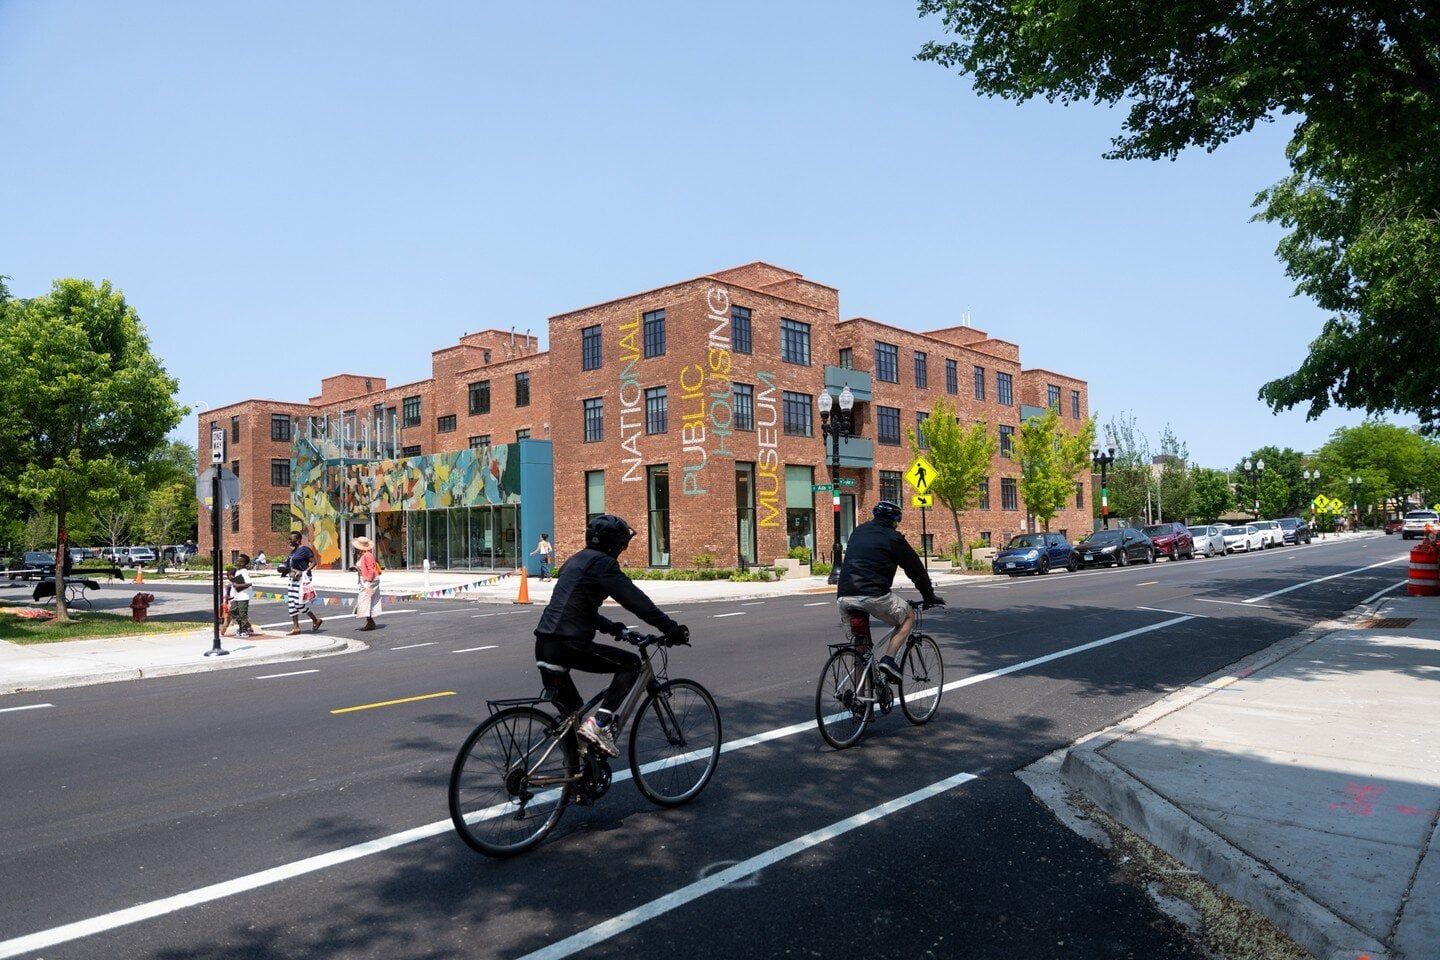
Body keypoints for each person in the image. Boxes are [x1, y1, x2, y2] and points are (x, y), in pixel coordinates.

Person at [532, 514, 688, 758]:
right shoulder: (603, 564)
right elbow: (636, 602)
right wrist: (670, 628)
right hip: (570, 644)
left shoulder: (575, 561)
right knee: (631, 664)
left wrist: (614, 629)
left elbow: (577, 609)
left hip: (545, 644)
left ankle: (577, 784)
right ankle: (600, 725)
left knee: (572, 717)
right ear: (615, 545)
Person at [836, 500, 944, 683]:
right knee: (908, 615)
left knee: (860, 651)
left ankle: (859, 703)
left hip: (844, 596)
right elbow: (915, 570)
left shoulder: (858, 531)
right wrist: (928, 595)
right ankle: (889, 659)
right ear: (895, 521)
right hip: (873, 595)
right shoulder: (893, 538)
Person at [281, 531, 323, 636]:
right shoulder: (293, 551)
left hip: (302, 578)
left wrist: (304, 572)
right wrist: (283, 568)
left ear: (298, 540)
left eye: (291, 539)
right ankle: (296, 628)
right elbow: (289, 565)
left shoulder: (305, 550)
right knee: (291, 602)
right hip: (292, 577)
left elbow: (314, 562)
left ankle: (315, 619)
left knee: (298, 603)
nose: (289, 541)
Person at [352, 536, 381, 631]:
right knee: (366, 601)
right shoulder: (363, 555)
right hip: (365, 580)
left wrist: (368, 580)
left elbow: (372, 569)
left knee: (364, 600)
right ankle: (370, 621)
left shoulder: (367, 555)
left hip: (369, 581)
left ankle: (370, 622)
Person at [230, 554, 254, 638]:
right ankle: (245, 626)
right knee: (233, 611)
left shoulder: (244, 571)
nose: (237, 561)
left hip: (244, 595)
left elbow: (249, 583)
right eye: (237, 560)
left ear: (244, 563)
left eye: (240, 561)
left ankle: (244, 630)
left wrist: (238, 586)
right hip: (237, 595)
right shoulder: (237, 571)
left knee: (242, 614)